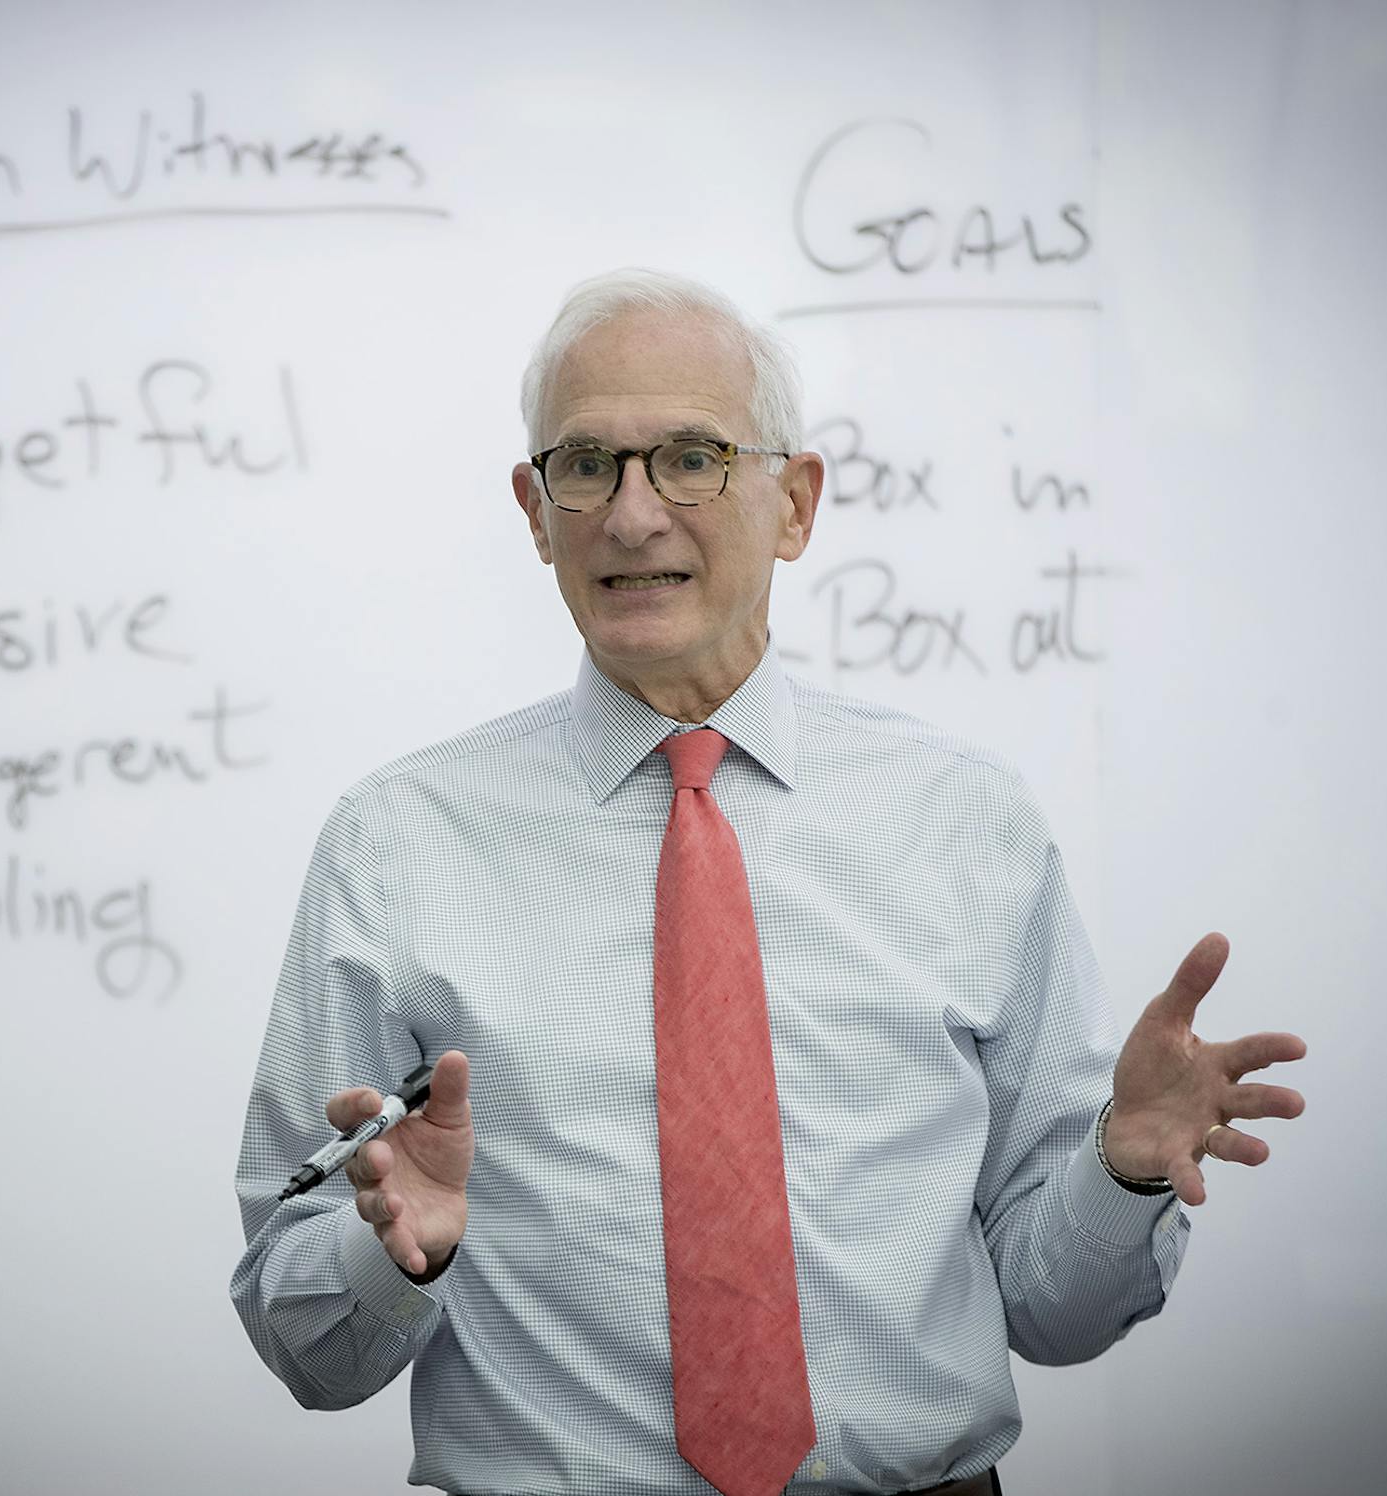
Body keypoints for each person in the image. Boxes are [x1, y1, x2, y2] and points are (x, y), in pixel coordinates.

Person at [227, 269, 1307, 1496]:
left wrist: (1122, 1166)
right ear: (535, 513)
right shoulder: (396, 842)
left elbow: (1053, 1312)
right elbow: (299, 1337)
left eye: (691, 458)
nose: (632, 516)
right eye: (587, 465)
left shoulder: (965, 820)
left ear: (794, 503)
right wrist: (390, 1260)